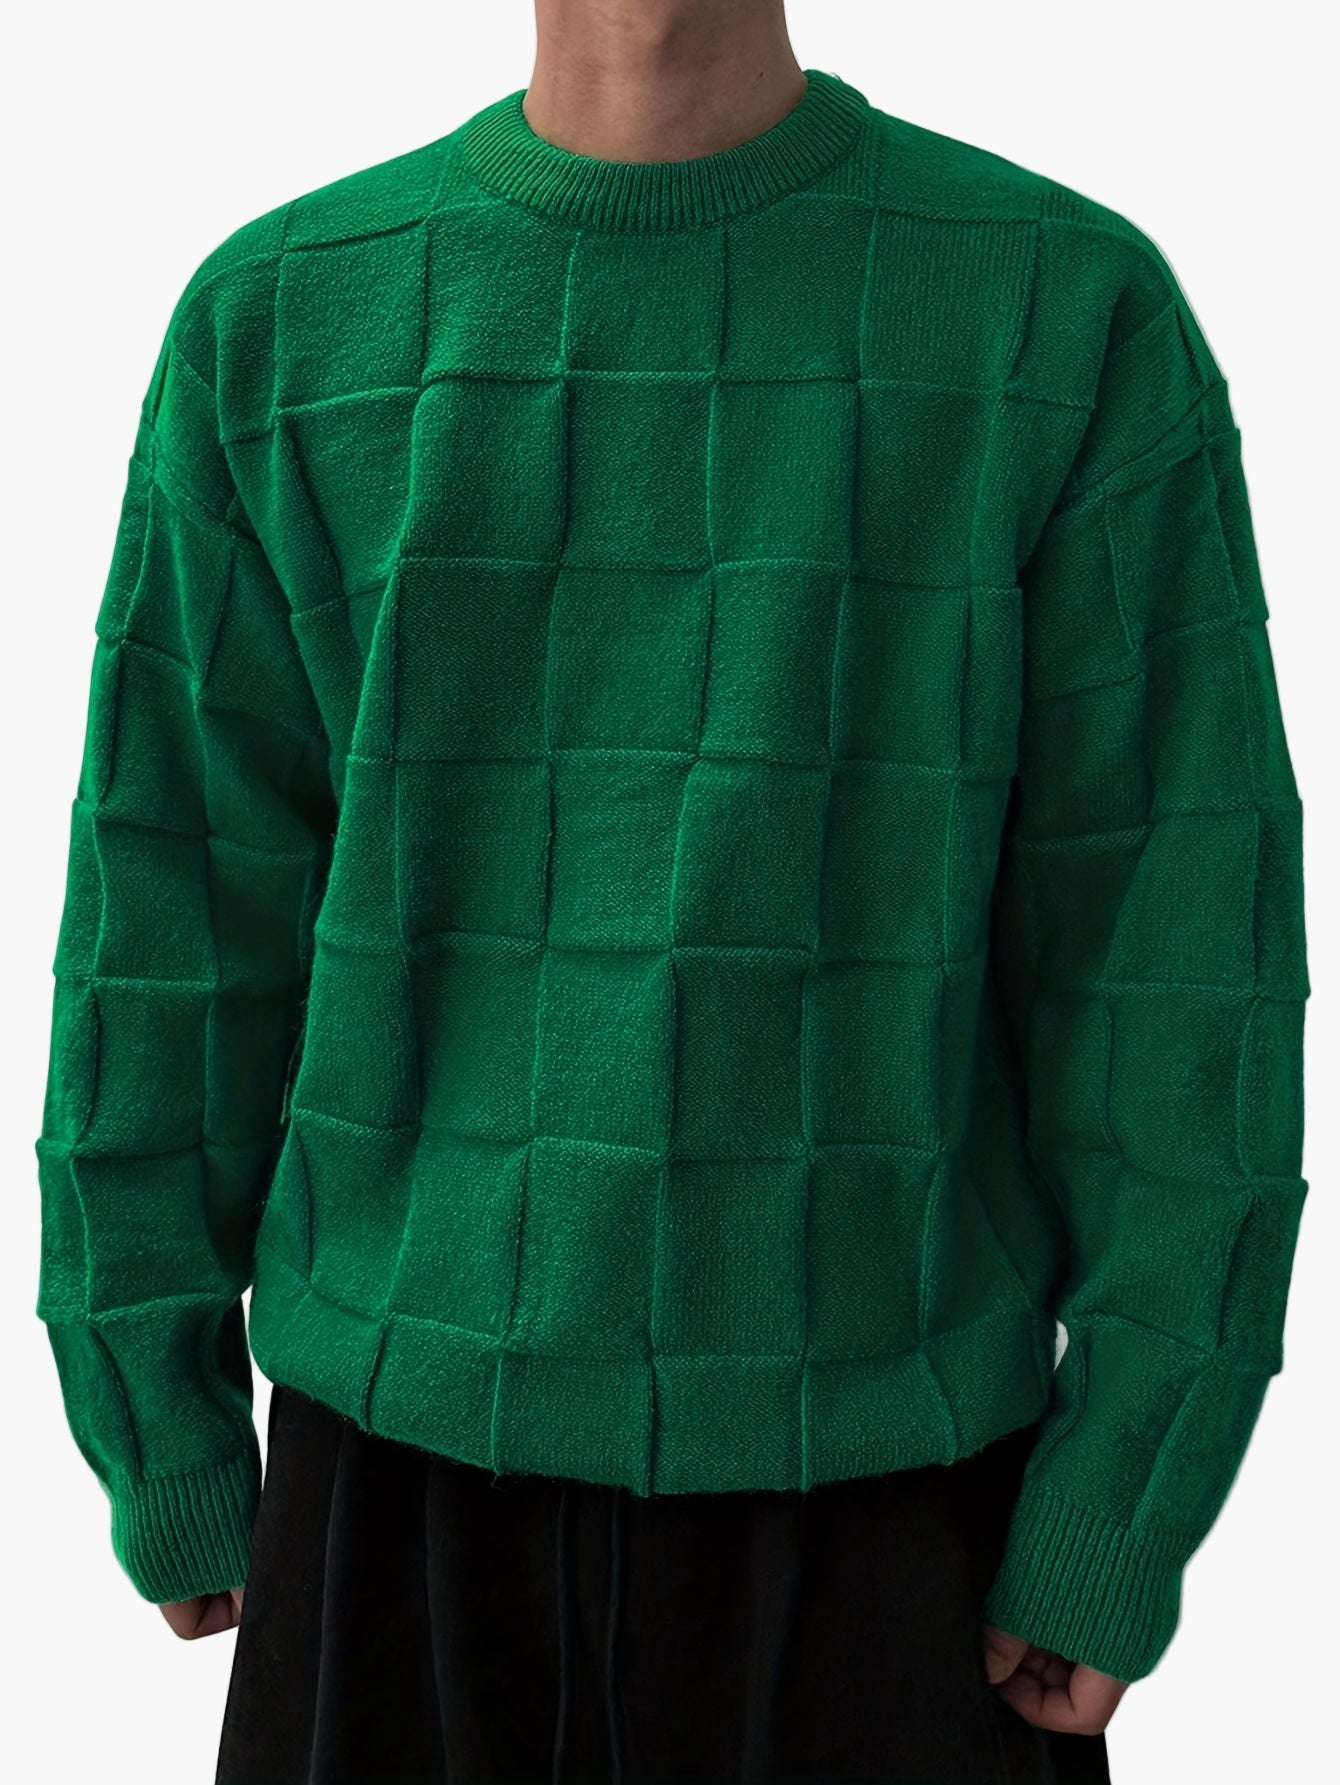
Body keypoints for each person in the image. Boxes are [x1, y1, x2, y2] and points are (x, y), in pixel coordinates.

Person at [33, 2, 1309, 1781]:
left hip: (902, 1512)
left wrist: (1128, 1485)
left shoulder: (1062, 318)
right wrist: (153, 1408)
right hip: (391, 1500)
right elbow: (171, 919)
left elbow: (1177, 955)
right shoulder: (280, 325)